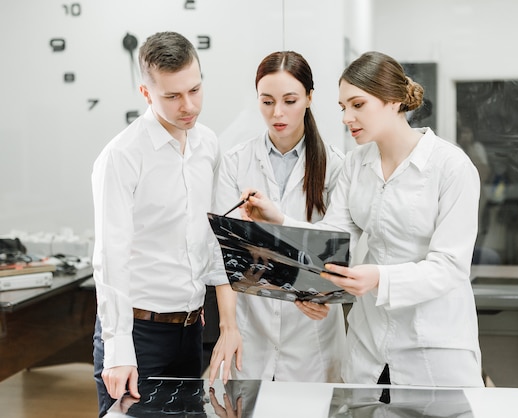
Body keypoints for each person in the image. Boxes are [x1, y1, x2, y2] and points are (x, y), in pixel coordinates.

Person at [240, 51, 484, 387]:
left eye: (357, 105)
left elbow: (450, 267)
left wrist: (379, 279)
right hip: (368, 345)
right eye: (343, 107)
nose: (346, 117)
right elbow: (334, 238)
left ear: (394, 101)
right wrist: (280, 221)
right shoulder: (356, 164)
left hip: (434, 344)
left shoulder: (451, 167)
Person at [91, 31, 238, 417]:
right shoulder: (122, 156)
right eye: (172, 96)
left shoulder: (208, 144)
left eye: (194, 90)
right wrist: (119, 350)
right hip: (137, 336)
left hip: (191, 332)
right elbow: (111, 257)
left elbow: (213, 240)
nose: (188, 105)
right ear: (146, 93)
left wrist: (227, 323)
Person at [207, 51, 346, 384]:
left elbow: (338, 245)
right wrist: (227, 327)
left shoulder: (337, 165)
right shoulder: (235, 162)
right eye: (267, 101)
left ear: (309, 98)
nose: (277, 113)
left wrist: (322, 298)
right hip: (250, 328)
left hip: (311, 333)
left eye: (290, 100)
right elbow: (220, 251)